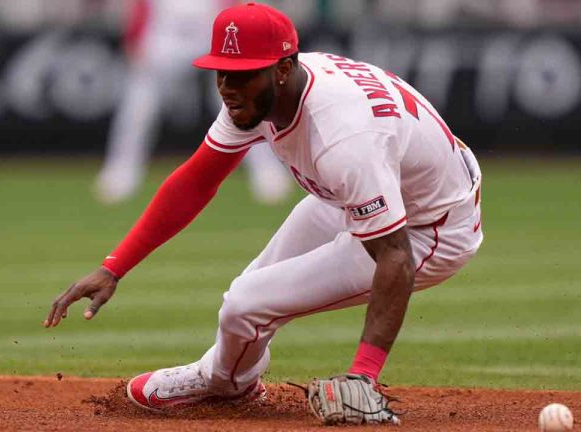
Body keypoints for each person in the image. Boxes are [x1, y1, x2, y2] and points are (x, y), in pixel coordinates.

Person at [45, 2, 483, 424]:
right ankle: (230, 375)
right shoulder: (261, 94)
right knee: (249, 292)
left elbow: (395, 256)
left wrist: (363, 375)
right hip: (365, 190)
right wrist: (115, 267)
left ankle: (222, 382)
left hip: (431, 227)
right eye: (221, 72)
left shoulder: (343, 139)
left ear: (283, 69)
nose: (228, 87)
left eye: (241, 75)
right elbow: (196, 181)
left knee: (244, 306)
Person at [95, 0, 291, 205]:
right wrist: (134, 36)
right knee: (139, 105)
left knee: (240, 102)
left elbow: (233, 5)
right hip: (164, 37)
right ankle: (121, 171)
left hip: (210, 32)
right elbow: (141, 5)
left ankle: (267, 171)